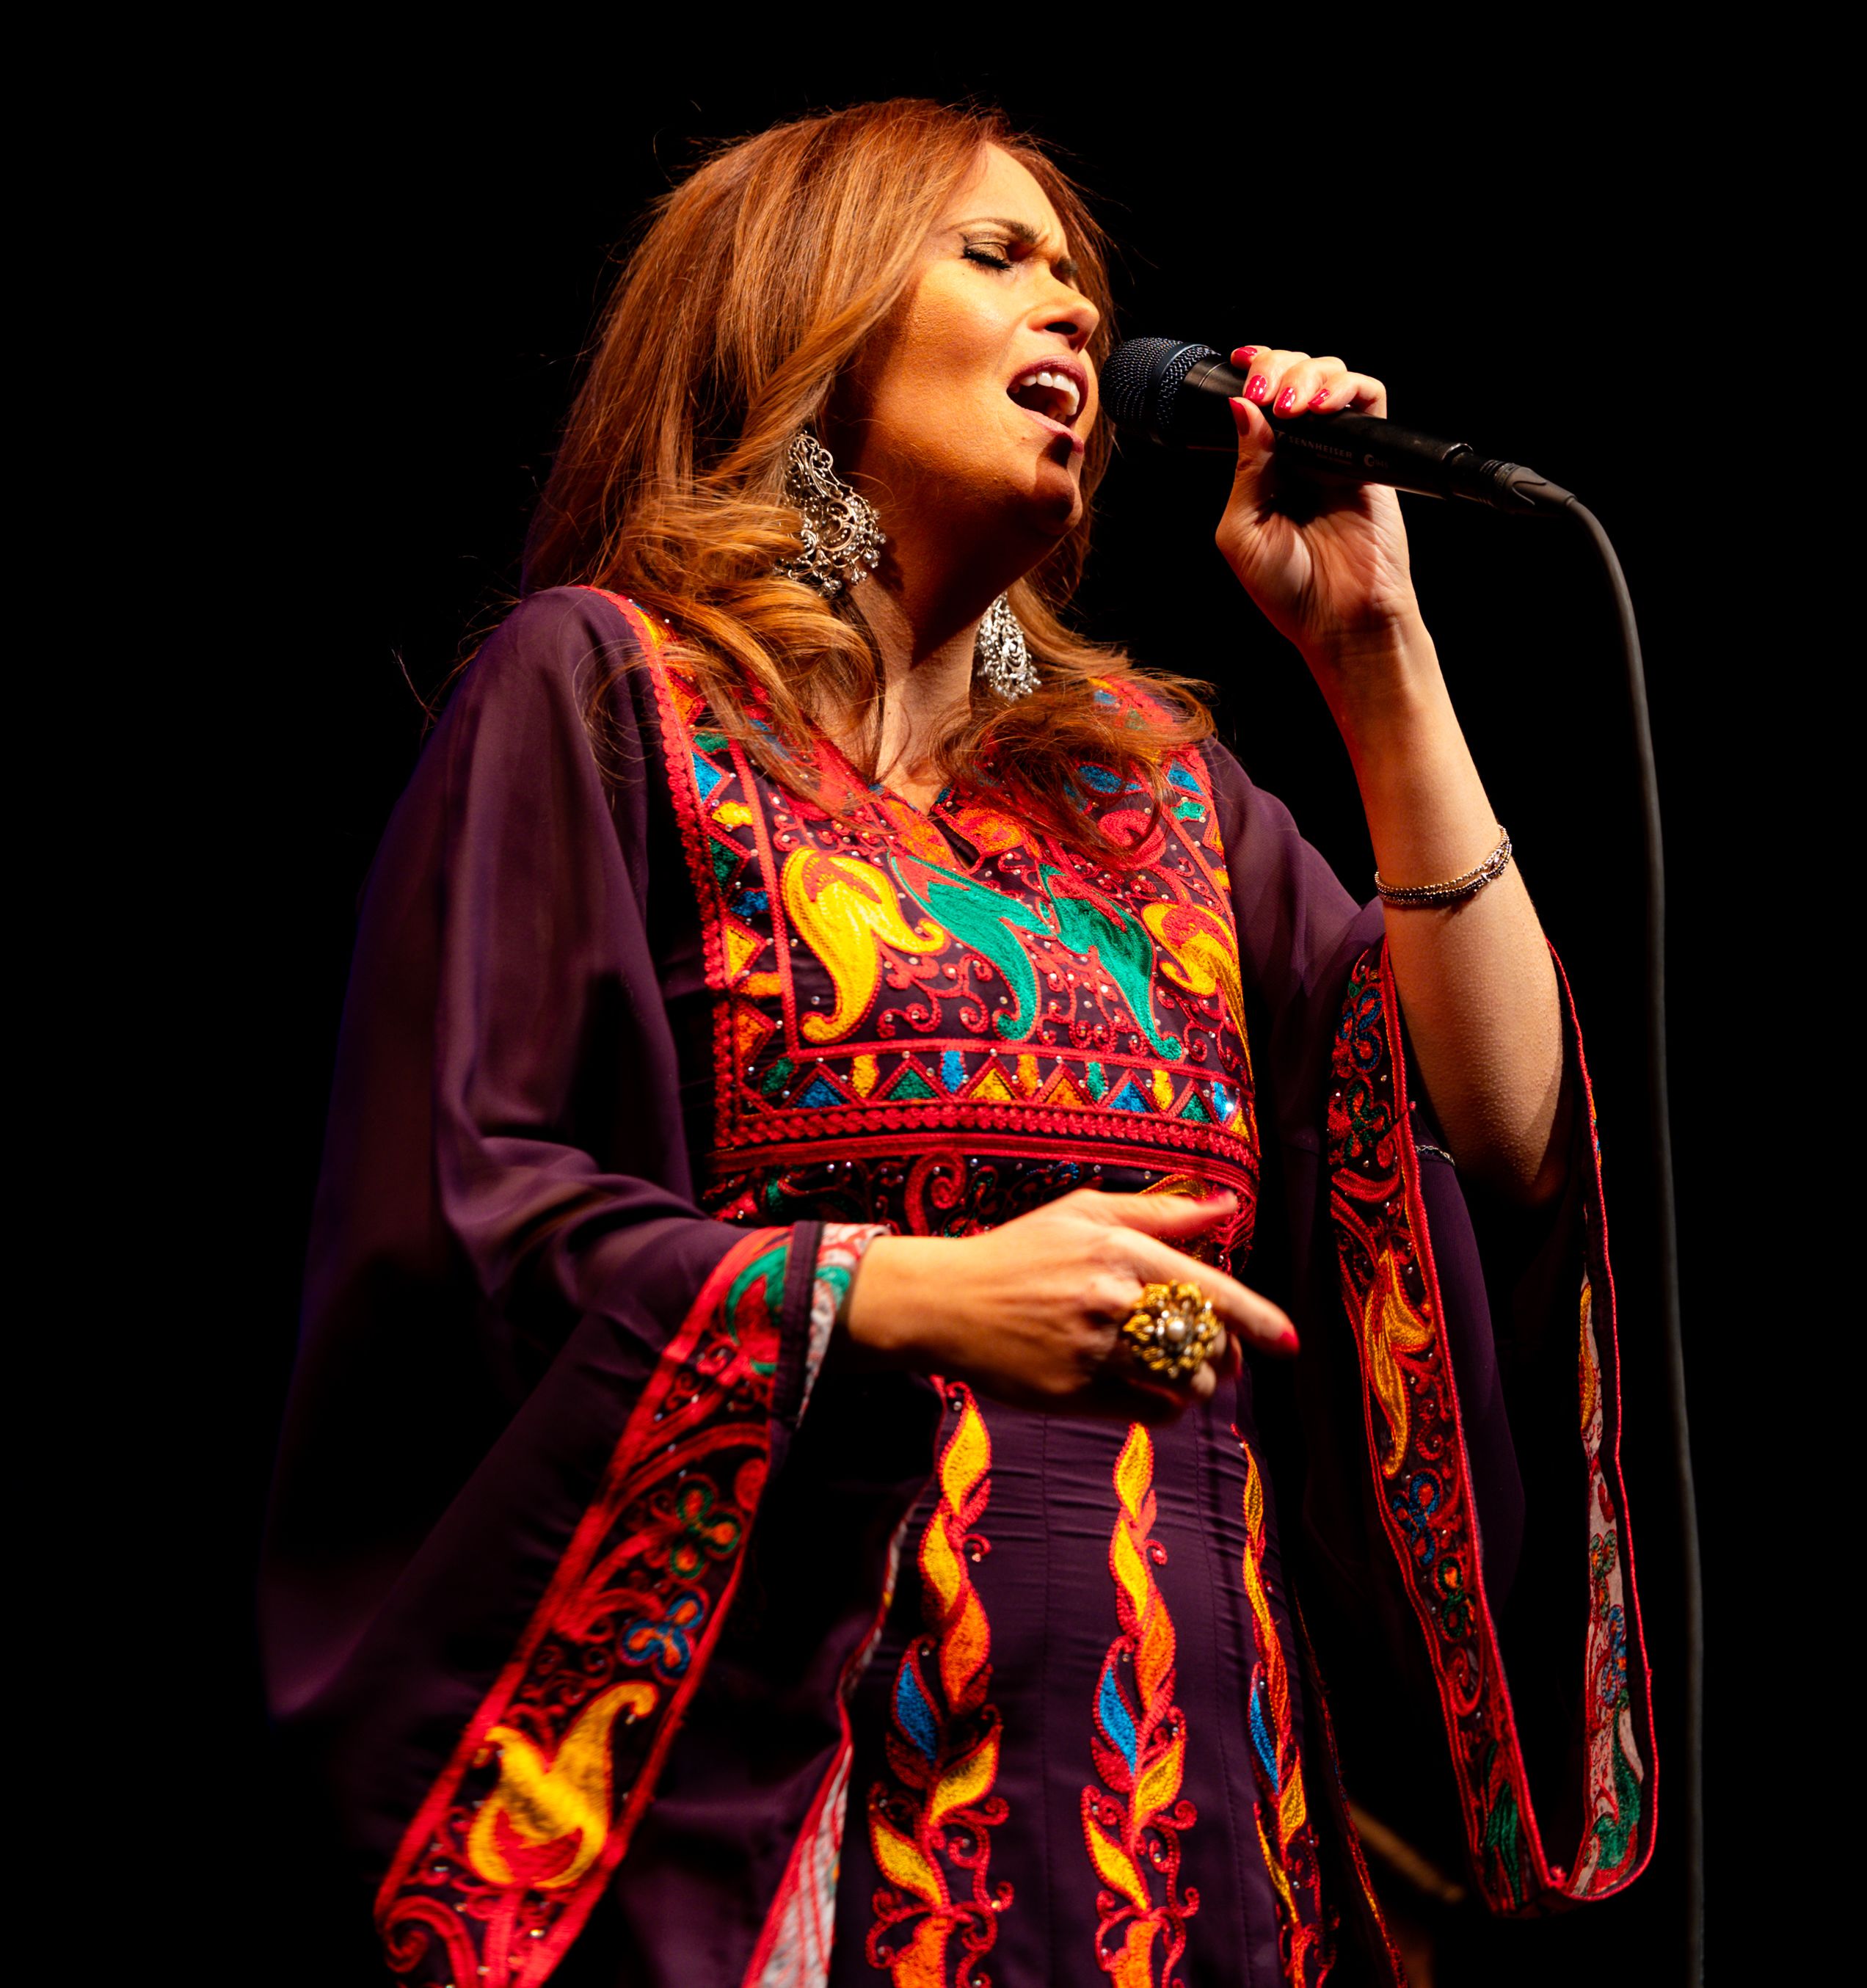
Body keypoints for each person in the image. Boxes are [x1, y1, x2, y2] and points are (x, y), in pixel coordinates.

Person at [262, 98, 1653, 1987]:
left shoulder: (1159, 798)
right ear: (806, 321)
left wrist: (1377, 653)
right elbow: (469, 1225)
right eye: (997, 257)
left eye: (1080, 276)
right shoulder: (609, 694)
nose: (1075, 311)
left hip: (1205, 1834)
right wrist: (897, 1292)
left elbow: (1497, 1127)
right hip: (803, 1816)